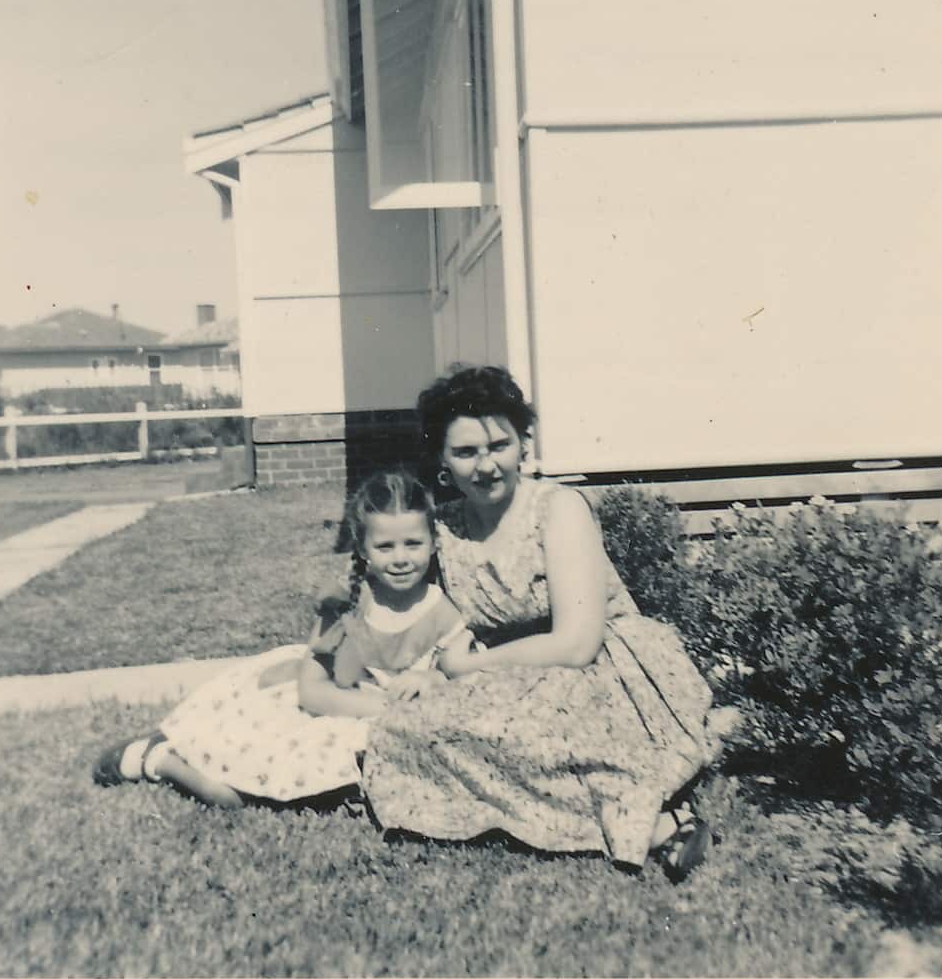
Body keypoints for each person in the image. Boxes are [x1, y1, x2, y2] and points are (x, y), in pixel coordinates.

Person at [361, 365, 737, 881]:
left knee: (538, 733)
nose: (486, 465)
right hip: (506, 676)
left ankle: (659, 822)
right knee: (404, 725)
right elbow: (436, 620)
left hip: (600, 667)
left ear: (523, 445)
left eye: (499, 445)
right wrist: (434, 670)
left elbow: (578, 643)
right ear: (443, 461)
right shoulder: (445, 527)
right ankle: (633, 817)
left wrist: (467, 667)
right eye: (466, 452)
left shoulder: (557, 509)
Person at [92, 470, 471, 809]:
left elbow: (459, 677)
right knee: (229, 792)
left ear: (434, 543)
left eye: (413, 544)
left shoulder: (443, 612)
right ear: (362, 549)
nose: (401, 558)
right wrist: (382, 706)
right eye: (385, 547)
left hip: (380, 724)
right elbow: (312, 692)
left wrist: (429, 679)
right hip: (333, 710)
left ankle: (164, 757)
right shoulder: (349, 602)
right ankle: (159, 758)